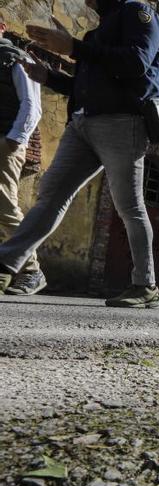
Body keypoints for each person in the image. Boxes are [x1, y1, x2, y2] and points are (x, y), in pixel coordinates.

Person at [0, 0, 159, 308]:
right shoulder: (102, 28)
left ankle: (146, 286)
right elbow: (88, 84)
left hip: (121, 121)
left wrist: (74, 48)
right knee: (51, 194)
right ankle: (6, 264)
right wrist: (47, 76)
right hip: (82, 123)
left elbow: (136, 62)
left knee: (128, 204)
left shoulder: (139, 13)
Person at [0, 17, 46, 296]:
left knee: (5, 207)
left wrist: (14, 139)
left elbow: (32, 105)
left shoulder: (14, 57)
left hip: (4, 140)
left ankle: (31, 270)